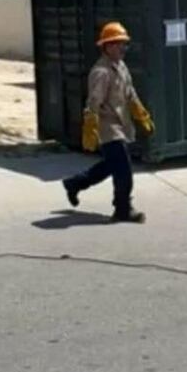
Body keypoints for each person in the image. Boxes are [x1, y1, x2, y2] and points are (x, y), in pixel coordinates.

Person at [62, 22, 154, 224]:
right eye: (119, 44)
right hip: (107, 126)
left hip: (121, 124)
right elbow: (94, 102)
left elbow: (130, 95)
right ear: (107, 46)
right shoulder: (101, 72)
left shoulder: (121, 67)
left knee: (111, 165)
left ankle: (75, 183)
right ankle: (123, 208)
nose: (123, 48)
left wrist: (142, 115)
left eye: (124, 44)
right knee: (124, 169)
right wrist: (90, 126)